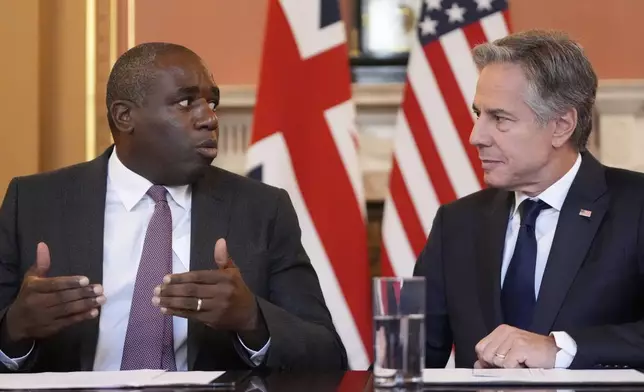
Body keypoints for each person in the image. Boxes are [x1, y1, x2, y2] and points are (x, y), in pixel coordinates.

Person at [0, 42, 347, 372]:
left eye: (213, 103)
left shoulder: (262, 209)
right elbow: (8, 338)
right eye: (185, 103)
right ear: (124, 117)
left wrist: (252, 321)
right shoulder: (32, 203)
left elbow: (327, 355)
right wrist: (14, 331)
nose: (209, 118)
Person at [414, 29, 644, 370]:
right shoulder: (457, 223)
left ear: (561, 126)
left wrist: (560, 349)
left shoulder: (635, 207)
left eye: (500, 118)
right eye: (479, 115)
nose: (476, 136)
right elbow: (410, 361)